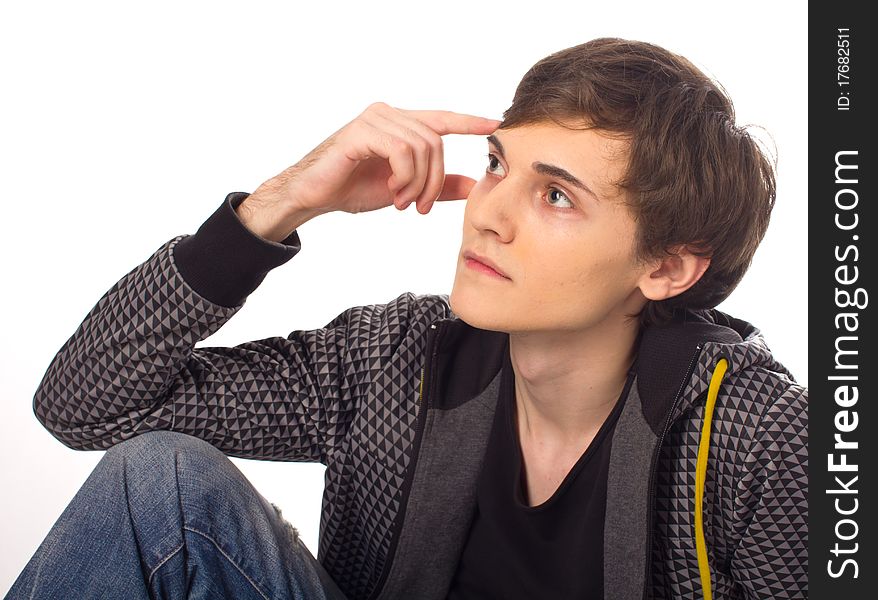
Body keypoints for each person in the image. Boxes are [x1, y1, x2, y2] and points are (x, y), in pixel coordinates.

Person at [7, 37, 807, 599]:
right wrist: (276, 207)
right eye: (498, 165)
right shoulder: (394, 361)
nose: (489, 214)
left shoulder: (757, 437)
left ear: (665, 267)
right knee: (161, 480)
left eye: (556, 195)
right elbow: (88, 406)